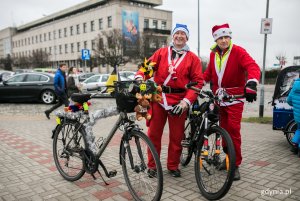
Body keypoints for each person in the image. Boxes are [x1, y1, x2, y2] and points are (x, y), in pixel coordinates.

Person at [135, 23, 203, 177]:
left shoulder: (193, 59)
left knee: (177, 136)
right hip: (159, 98)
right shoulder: (161, 53)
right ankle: (152, 166)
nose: (179, 36)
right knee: (154, 134)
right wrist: (140, 77)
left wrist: (186, 102)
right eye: (177, 33)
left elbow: (198, 82)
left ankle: (172, 166)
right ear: (173, 36)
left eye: (183, 34)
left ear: (187, 38)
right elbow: (147, 68)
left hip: (179, 101)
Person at [203, 23, 260, 181]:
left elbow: (253, 66)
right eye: (220, 37)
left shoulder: (238, 51)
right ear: (216, 39)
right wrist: (198, 82)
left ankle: (234, 165)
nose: (224, 40)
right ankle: (227, 159)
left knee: (233, 131)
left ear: (230, 37)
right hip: (220, 99)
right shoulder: (214, 54)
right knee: (224, 131)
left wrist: (252, 83)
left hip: (235, 99)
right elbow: (209, 73)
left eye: (226, 36)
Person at [287, 76, 300, 156]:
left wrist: (295, 106)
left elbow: (289, 100)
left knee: (299, 129)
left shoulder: (295, 85)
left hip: (297, 115)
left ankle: (294, 145)